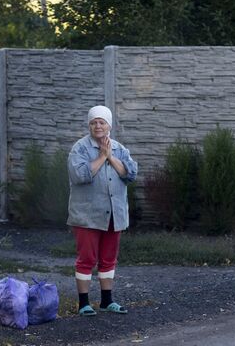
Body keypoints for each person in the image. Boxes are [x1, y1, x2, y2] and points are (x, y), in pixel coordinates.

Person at [67, 105, 138, 316]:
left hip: (114, 214)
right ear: (89, 125)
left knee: (109, 258)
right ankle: (84, 303)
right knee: (87, 258)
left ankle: (107, 301)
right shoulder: (79, 149)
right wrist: (101, 156)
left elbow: (131, 174)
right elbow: (79, 176)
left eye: (102, 122)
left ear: (109, 125)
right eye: (94, 122)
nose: (98, 126)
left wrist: (110, 156)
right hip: (87, 215)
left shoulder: (119, 149)